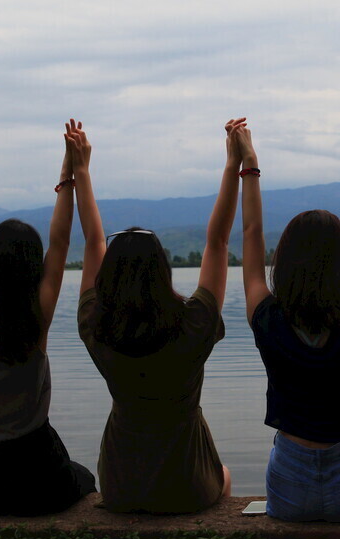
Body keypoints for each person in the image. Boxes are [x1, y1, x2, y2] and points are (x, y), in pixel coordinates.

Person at [71, 119, 244, 514]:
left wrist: (81, 170)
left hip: (119, 485)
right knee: (226, 475)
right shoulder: (193, 326)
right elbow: (217, 243)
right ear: (163, 274)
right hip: (187, 486)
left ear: (108, 279)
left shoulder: (95, 327)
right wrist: (232, 163)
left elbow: (94, 241)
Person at [0, 123, 96, 516]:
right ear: (30, 277)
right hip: (38, 470)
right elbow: (60, 243)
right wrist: (69, 175)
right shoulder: (35, 322)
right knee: (86, 480)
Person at [233, 122, 340, 523]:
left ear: (282, 264)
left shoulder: (266, 318)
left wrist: (247, 164)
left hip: (290, 490)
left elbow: (251, 233)